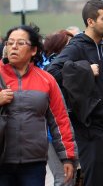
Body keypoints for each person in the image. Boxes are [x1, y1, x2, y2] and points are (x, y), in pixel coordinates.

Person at [48, 0, 103, 186]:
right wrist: (86, 70)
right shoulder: (77, 46)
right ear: (90, 22)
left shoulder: (101, 48)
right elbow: (52, 72)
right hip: (88, 128)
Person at [0, 25, 77, 186]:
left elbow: (60, 121)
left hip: (33, 163)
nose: (13, 47)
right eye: (10, 42)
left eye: (20, 43)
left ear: (33, 50)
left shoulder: (46, 80)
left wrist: (68, 157)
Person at [41, 30, 76, 186]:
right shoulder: (49, 69)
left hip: (70, 129)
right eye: (69, 44)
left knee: (71, 177)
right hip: (52, 132)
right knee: (64, 178)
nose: (73, 48)